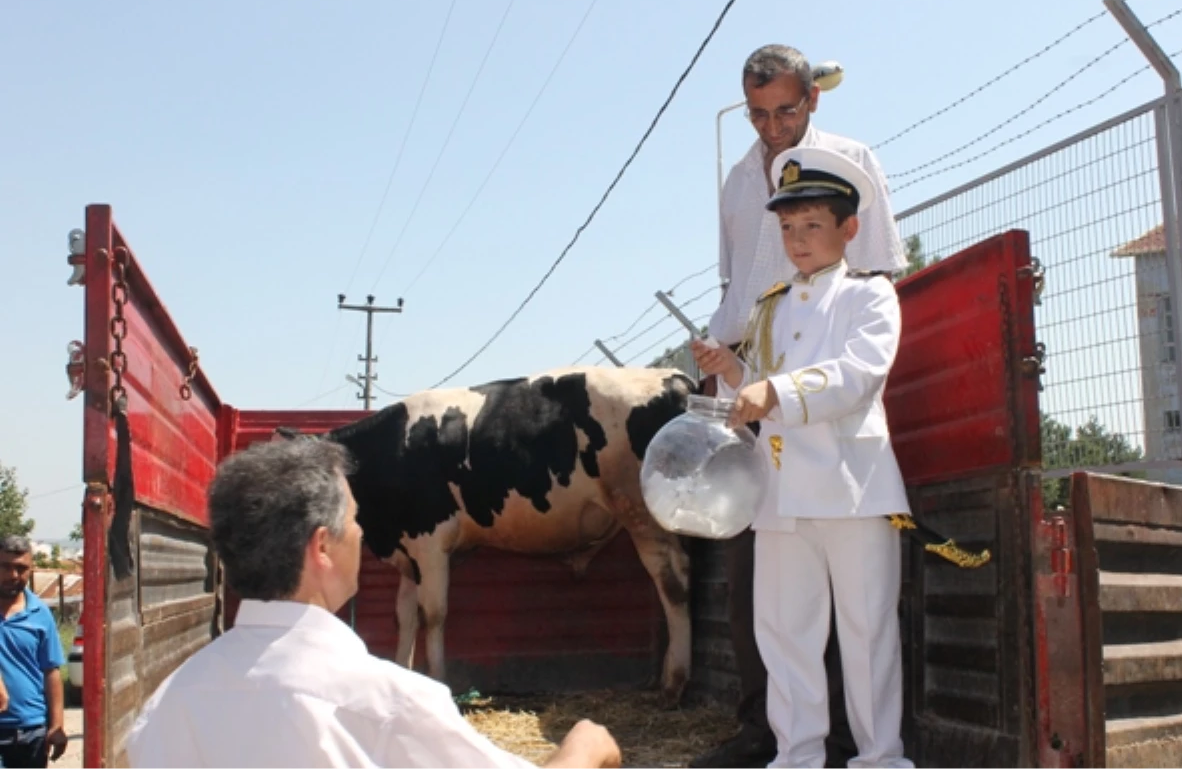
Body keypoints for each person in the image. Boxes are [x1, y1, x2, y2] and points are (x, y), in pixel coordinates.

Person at [127, 439, 621, 769]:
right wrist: (585, 742)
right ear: (321, 547)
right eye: (356, 520)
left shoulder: (166, 706)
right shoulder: (388, 704)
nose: (362, 534)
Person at [692, 44, 906, 769]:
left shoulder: (867, 289)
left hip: (848, 478)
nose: (772, 126)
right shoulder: (764, 277)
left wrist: (770, 390)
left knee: (867, 628)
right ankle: (792, 751)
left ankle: (878, 757)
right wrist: (729, 372)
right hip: (777, 483)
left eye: (786, 109)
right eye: (758, 114)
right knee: (779, 625)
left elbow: (856, 366)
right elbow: (743, 316)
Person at [0, 535, 68, 769]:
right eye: (6, 567)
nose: (13, 575)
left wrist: (56, 726)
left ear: (31, 570)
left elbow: (51, 671)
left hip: (32, 732)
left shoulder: (40, 614)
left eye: (21, 569)